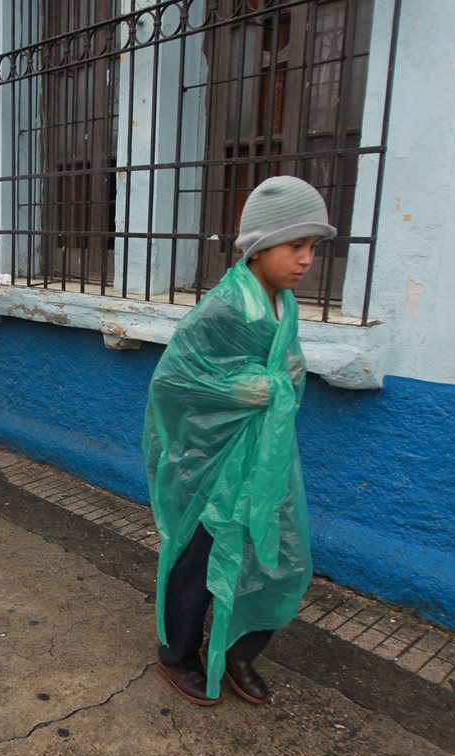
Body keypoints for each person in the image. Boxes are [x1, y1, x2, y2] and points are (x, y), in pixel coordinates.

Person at [143, 175, 336, 706]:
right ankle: (177, 655)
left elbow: (279, 376)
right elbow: (175, 380)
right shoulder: (223, 309)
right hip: (214, 465)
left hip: (267, 461)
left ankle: (237, 652)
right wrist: (235, 390)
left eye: (312, 248)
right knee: (199, 563)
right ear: (259, 246)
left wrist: (289, 375)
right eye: (295, 245)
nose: (305, 260)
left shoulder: (287, 305)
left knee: (277, 559)